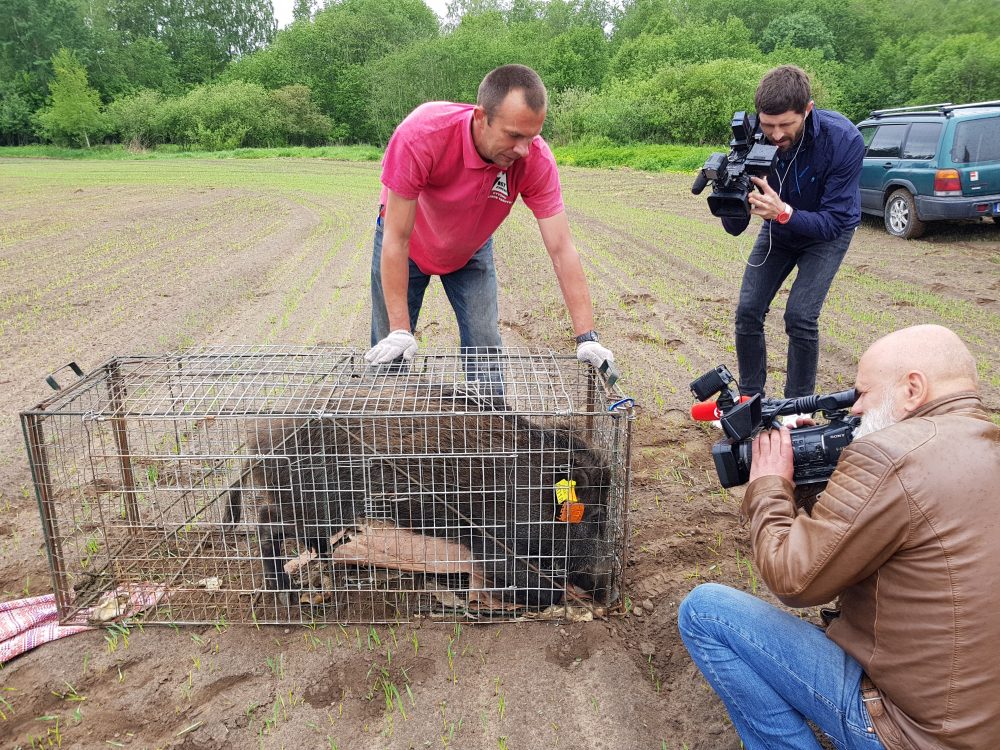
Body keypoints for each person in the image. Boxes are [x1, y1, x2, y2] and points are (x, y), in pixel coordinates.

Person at [677, 324, 1000, 749]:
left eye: (862, 394)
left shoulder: (889, 455)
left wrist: (771, 484)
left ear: (913, 389)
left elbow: (795, 580)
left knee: (705, 613)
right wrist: (815, 480)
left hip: (913, 736)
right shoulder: (984, 441)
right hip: (978, 725)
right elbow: (854, 545)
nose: (855, 410)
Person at [364, 64, 614, 384]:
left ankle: (489, 424)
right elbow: (396, 238)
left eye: (532, 136)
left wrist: (587, 336)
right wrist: (399, 330)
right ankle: (383, 423)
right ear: (481, 117)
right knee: (389, 353)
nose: (524, 149)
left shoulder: (533, 158)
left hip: (469, 251)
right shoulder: (421, 134)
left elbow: (562, 249)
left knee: (485, 352)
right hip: (406, 248)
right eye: (514, 136)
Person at [723, 65, 864, 399]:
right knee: (747, 312)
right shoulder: (752, 135)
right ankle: (750, 400)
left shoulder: (844, 140)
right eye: (768, 124)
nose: (775, 134)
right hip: (778, 227)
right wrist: (731, 195)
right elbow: (734, 227)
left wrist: (783, 212)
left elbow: (832, 221)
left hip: (827, 234)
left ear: (808, 110)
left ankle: (797, 408)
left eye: (785, 124)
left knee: (800, 316)